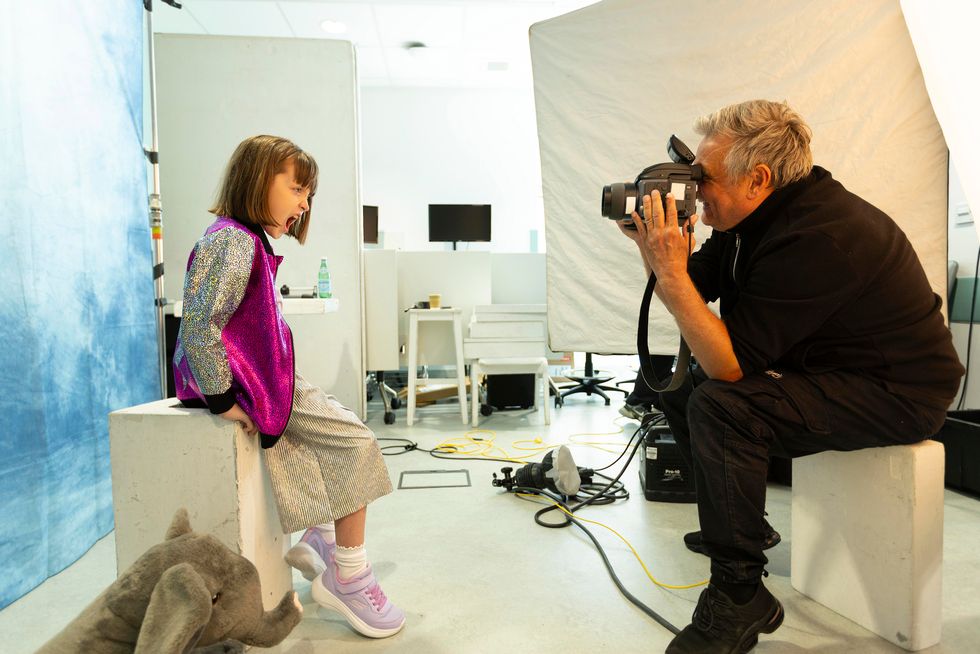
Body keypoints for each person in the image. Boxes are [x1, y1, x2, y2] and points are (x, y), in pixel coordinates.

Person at [617, 100, 963, 653]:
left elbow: (730, 366)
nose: (696, 188)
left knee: (721, 403)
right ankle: (744, 526)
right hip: (827, 368)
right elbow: (690, 285)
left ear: (758, 178)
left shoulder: (820, 234)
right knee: (679, 388)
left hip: (896, 391)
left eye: (705, 178)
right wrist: (652, 249)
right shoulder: (749, 218)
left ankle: (739, 595)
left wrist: (669, 270)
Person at [172, 135, 404, 639]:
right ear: (257, 180)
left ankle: (322, 537)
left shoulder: (243, 240)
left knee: (311, 441)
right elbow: (199, 325)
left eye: (308, 195)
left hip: (264, 380)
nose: (303, 204)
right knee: (357, 443)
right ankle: (350, 575)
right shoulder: (233, 241)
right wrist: (221, 397)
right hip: (249, 383)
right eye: (298, 189)